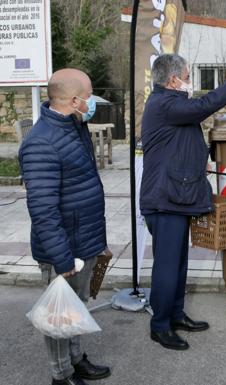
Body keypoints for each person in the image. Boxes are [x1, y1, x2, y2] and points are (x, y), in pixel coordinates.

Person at [140, 53, 226, 350]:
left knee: (178, 263)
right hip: (164, 200)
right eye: (188, 77)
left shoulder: (170, 104)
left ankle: (175, 315)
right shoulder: (165, 103)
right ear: (173, 80)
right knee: (166, 266)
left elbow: (181, 138)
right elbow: (204, 106)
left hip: (175, 196)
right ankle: (160, 326)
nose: (190, 82)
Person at [19, 68, 111, 385]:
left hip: (84, 240)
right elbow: (42, 209)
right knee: (59, 317)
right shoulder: (41, 143)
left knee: (77, 308)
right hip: (64, 250)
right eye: (88, 97)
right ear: (74, 101)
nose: (93, 102)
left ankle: (75, 360)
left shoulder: (74, 126)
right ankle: (61, 375)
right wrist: (60, 257)